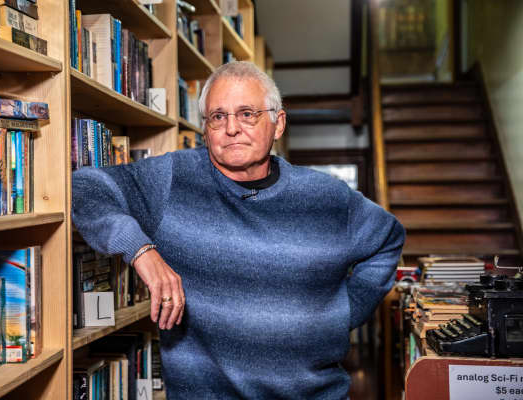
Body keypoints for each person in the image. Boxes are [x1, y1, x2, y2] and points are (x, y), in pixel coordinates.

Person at [72, 61, 405, 399]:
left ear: (278, 123)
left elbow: (388, 239)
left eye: (247, 114)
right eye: (218, 116)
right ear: (206, 129)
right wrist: (142, 252)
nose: (231, 128)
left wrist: (342, 313)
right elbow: (84, 188)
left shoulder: (327, 197)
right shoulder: (173, 180)